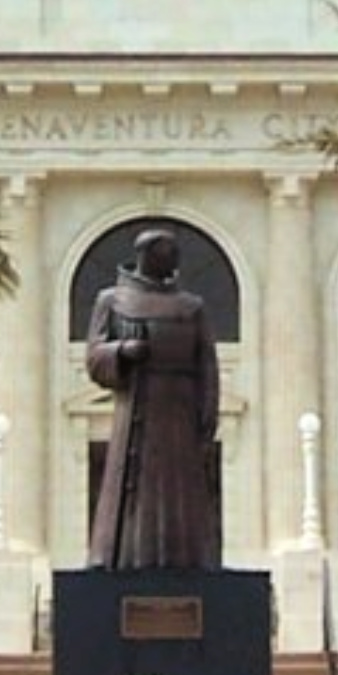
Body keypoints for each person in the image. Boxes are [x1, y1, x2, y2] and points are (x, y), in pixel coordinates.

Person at [85, 228, 220, 570]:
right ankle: (121, 558)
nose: (175, 261)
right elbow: (93, 357)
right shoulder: (110, 301)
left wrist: (207, 416)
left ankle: (187, 560)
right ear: (147, 256)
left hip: (180, 412)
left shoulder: (192, 307)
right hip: (136, 411)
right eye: (168, 253)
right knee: (130, 490)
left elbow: (207, 365)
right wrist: (122, 351)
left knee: (183, 490)